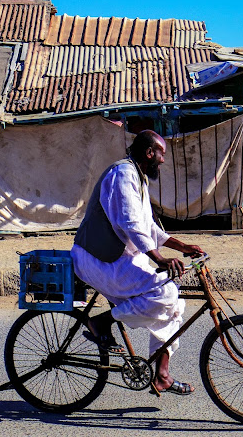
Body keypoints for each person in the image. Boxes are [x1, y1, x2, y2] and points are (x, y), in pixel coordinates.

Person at [71, 130, 203, 396]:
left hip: (120, 257)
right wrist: (159, 258)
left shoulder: (137, 178)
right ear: (149, 152)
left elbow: (149, 227)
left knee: (174, 302)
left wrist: (181, 246)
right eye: (161, 153)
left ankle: (162, 375)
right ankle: (101, 322)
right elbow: (130, 224)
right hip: (97, 259)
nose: (163, 161)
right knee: (164, 292)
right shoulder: (123, 175)